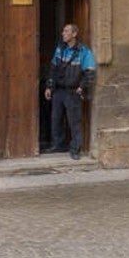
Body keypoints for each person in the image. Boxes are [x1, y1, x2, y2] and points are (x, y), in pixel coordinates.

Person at [43, 23, 96, 160]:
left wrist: (82, 87)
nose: (63, 33)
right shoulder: (60, 49)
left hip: (73, 91)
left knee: (74, 121)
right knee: (56, 119)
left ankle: (75, 149)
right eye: (63, 31)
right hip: (59, 90)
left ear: (74, 34)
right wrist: (49, 86)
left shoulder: (84, 51)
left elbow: (89, 72)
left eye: (66, 31)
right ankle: (58, 145)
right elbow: (53, 69)